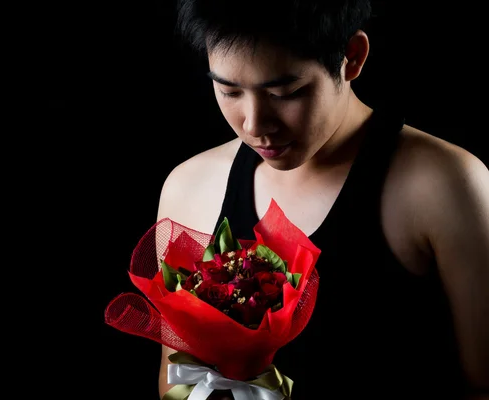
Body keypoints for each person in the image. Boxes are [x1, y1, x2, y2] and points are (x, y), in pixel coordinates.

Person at [153, 0, 489, 399]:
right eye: (228, 90)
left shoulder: (444, 185)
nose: (255, 124)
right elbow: (174, 381)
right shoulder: (190, 187)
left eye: (285, 92)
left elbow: (483, 382)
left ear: (352, 57)